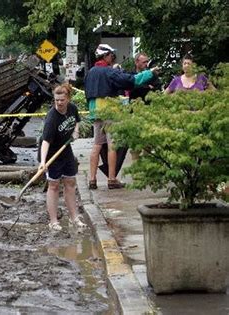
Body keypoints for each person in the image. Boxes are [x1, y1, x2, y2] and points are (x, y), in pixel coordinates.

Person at [85, 44, 159, 190]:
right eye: (111, 55)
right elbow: (130, 81)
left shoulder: (91, 72)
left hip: (95, 112)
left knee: (97, 145)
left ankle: (92, 180)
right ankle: (112, 180)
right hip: (109, 112)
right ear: (106, 56)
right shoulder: (108, 71)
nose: (112, 58)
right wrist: (150, 73)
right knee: (112, 145)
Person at [39, 84, 86, 231]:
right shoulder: (52, 118)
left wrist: (75, 132)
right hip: (51, 153)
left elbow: (76, 121)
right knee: (53, 186)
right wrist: (42, 162)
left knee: (70, 183)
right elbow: (45, 141)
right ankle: (53, 221)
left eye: (62, 100)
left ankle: (74, 218)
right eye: (56, 100)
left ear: (68, 99)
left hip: (66, 150)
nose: (59, 103)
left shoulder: (72, 108)